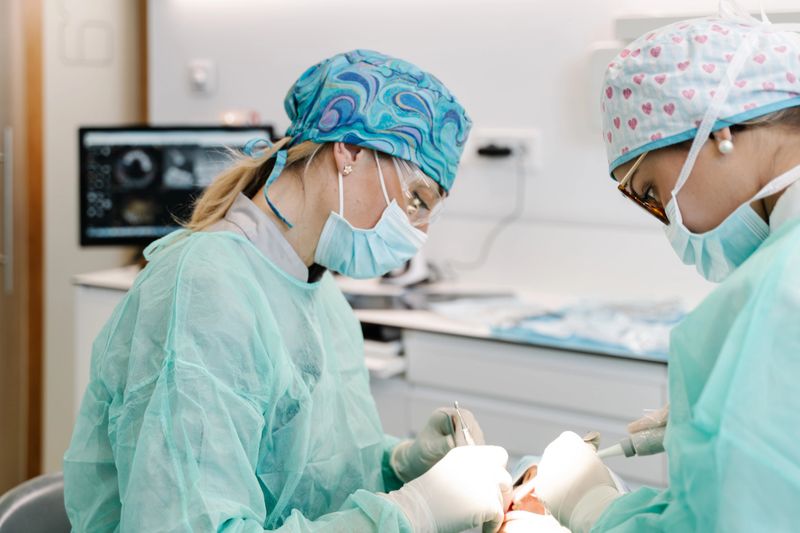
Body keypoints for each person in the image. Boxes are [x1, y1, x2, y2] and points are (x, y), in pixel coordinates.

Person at [63, 49, 512, 532]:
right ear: (351, 151)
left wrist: (400, 463)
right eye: (416, 200)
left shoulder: (319, 293)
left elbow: (312, 468)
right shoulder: (203, 289)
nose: (416, 231)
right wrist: (409, 513)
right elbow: (187, 520)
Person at [508, 3, 800, 532]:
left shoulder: (774, 297)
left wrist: (595, 509)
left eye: (651, 193)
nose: (670, 224)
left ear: (719, 131)